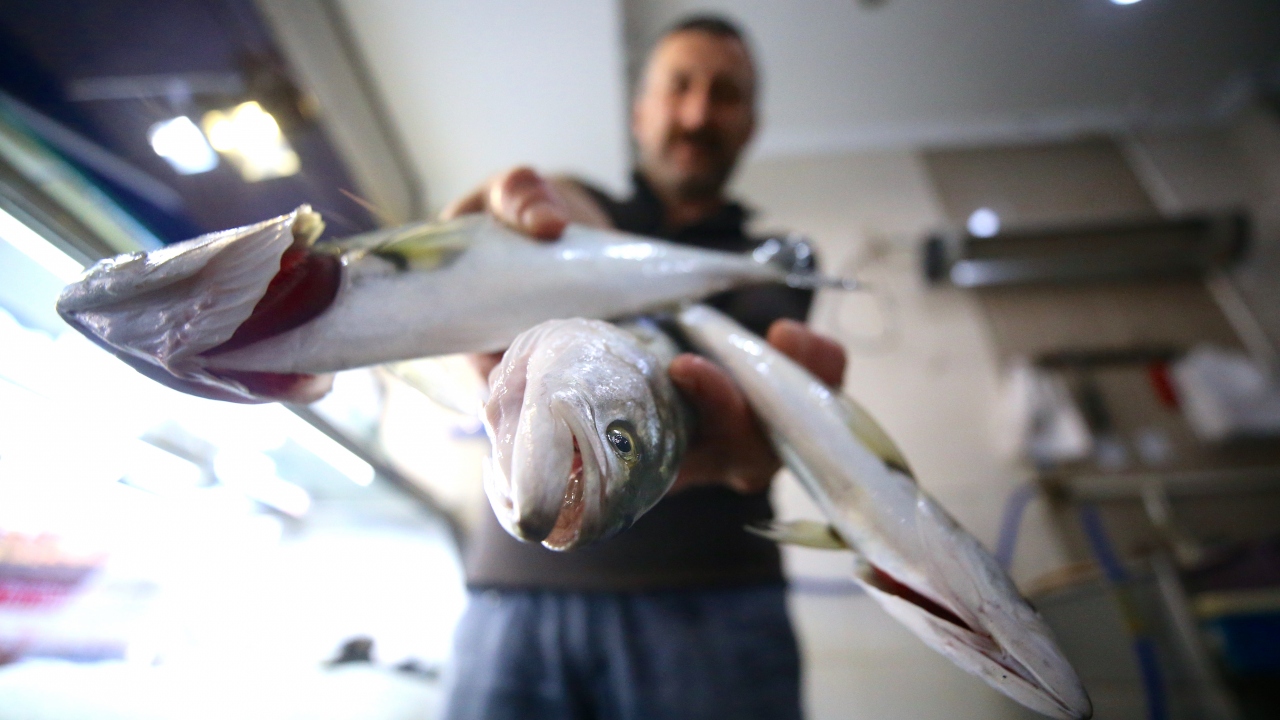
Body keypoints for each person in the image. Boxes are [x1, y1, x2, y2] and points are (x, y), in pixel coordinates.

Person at [439, 15, 847, 720]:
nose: (696, 113)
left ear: (750, 123)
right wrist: (541, 214)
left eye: (725, 94)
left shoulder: (778, 260)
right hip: (511, 599)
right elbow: (571, 211)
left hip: (714, 605)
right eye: (678, 86)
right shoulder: (587, 217)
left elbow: (739, 388)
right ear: (639, 112)